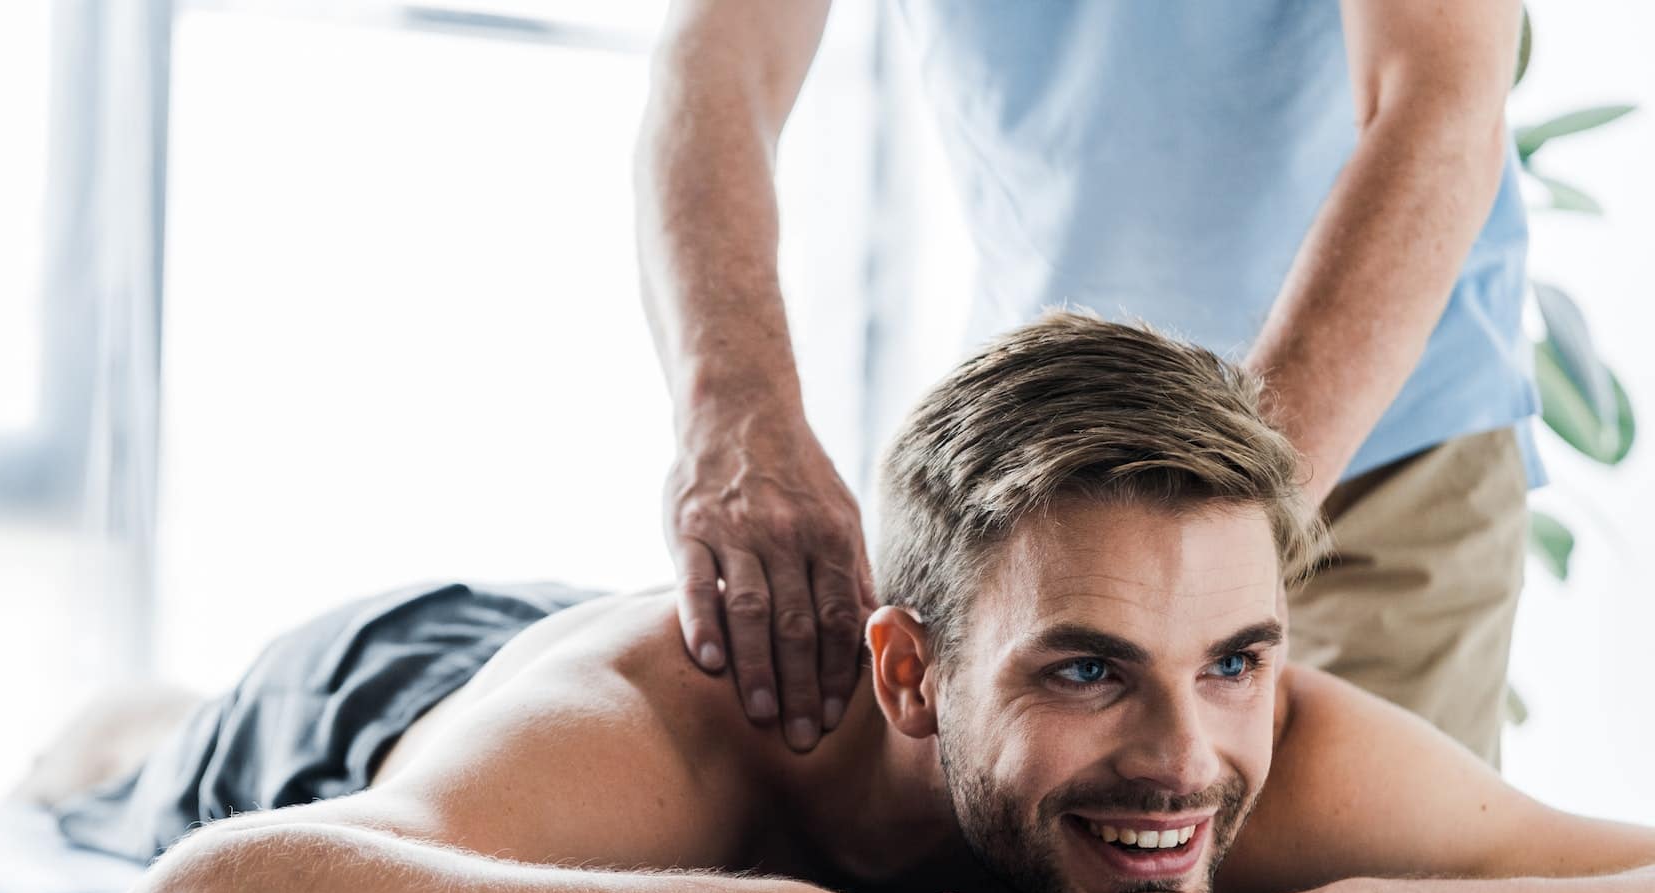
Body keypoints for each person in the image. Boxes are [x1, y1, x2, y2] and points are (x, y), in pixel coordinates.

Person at [53, 316, 1653, 893]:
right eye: (1083, 669)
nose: (1185, 759)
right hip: (384, 694)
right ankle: (131, 730)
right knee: (125, 765)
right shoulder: (646, 734)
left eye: (1235, 655)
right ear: (905, 675)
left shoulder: (1249, 739)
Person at [636, 0, 1537, 785]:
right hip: (1041, 466)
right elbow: (719, 61)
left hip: (1378, 442)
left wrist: (1232, 534)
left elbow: (1439, 105)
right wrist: (736, 413)